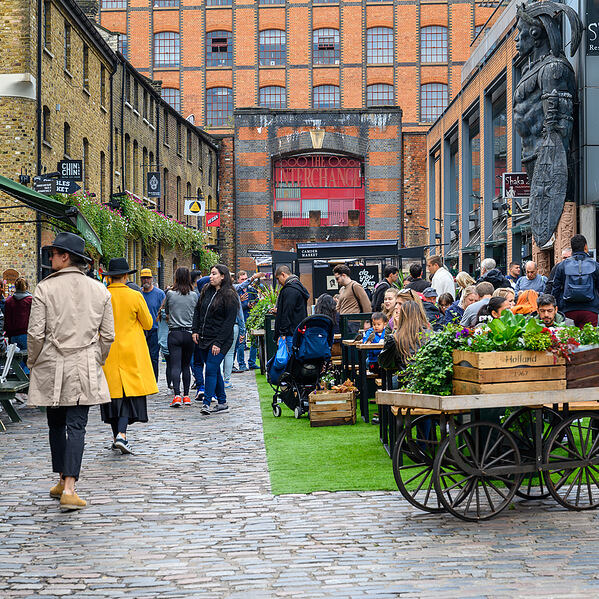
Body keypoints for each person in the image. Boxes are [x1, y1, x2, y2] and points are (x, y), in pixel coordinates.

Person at [27, 232, 115, 511]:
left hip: (52, 364)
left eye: (53, 253)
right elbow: (108, 335)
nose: (50, 257)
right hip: (85, 364)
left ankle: (63, 482)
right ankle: (68, 485)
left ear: (65, 257)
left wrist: (33, 362)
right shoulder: (100, 289)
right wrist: (94, 358)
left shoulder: (44, 288)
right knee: (76, 426)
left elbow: (35, 334)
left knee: (56, 424)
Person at [101, 259, 158, 454]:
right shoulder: (135, 296)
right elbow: (148, 323)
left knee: (111, 395)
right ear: (126, 276)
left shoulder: (103, 295)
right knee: (127, 396)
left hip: (107, 351)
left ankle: (116, 436)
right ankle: (121, 436)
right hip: (131, 350)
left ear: (109, 277)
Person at [192, 264, 239, 415]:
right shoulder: (206, 290)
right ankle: (222, 402)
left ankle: (206, 403)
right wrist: (195, 331)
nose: (210, 276)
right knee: (214, 370)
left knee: (211, 369)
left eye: (214, 274)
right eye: (210, 273)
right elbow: (198, 311)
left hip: (221, 339)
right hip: (205, 337)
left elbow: (229, 322)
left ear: (223, 276)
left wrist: (218, 343)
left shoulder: (230, 295)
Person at [165, 267, 199, 407]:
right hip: (189, 333)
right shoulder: (194, 295)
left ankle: (177, 395)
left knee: (175, 365)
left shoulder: (170, 294)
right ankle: (186, 396)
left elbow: (166, 311)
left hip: (174, 333)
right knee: (186, 365)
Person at [552, 234, 599, 328]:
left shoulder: (562, 266)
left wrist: (557, 308)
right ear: (585, 247)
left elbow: (555, 290)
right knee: (590, 341)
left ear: (572, 249)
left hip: (568, 310)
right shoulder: (595, 265)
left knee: (569, 341)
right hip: (590, 310)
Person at [273, 265, 310, 352]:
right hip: (298, 330)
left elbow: (287, 312)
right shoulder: (298, 287)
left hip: (290, 333)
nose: (279, 282)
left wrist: (282, 333)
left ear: (283, 274)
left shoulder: (290, 289)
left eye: (278, 279)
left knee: (291, 359)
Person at [233, 271, 264, 372]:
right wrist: (245, 304)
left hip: (251, 318)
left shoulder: (252, 290)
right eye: (242, 279)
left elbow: (257, 302)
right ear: (238, 280)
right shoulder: (236, 291)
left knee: (254, 340)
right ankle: (241, 364)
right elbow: (235, 307)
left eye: (245, 278)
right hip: (240, 318)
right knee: (240, 342)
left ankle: (252, 362)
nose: (244, 281)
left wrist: (254, 305)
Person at [139, 268, 165, 381]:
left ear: (152, 279)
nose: (146, 280)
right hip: (140, 330)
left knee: (153, 356)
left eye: (148, 278)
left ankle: (153, 380)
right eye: (144, 278)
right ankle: (143, 379)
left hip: (155, 329)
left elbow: (164, 311)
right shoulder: (138, 294)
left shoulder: (159, 294)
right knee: (141, 356)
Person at [3, 277, 33, 360]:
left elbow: (7, 320)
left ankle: (18, 373)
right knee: (29, 360)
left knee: (16, 361)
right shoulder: (30, 300)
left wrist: (8, 335)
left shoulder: (9, 302)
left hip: (13, 336)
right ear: (27, 286)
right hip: (26, 334)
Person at [222, 296, 246, 389]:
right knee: (230, 353)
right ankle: (226, 380)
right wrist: (242, 331)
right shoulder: (233, 294)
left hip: (220, 325)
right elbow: (240, 315)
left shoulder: (217, 293)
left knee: (218, 352)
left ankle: (219, 378)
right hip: (234, 324)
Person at [156, 297, 172, 389]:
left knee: (169, 365)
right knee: (176, 365)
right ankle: (174, 384)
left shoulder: (161, 313)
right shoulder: (174, 314)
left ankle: (169, 385)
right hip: (173, 341)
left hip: (164, 342)